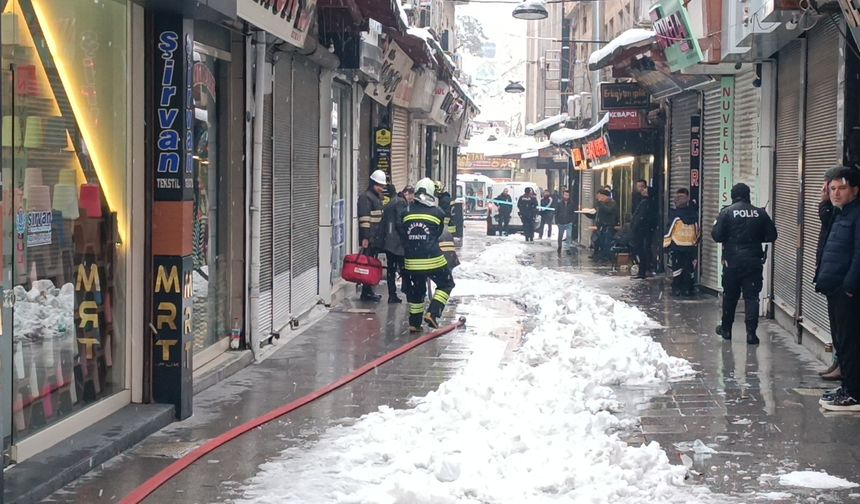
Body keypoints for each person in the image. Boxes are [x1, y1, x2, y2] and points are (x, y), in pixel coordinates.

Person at [815, 166, 860, 411]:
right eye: (832, 189)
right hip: (835, 288)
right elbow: (824, 215)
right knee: (841, 342)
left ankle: (854, 393)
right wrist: (825, 199)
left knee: (851, 342)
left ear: (855, 190)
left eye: (842, 188)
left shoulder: (856, 214)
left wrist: (850, 287)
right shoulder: (840, 213)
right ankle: (848, 387)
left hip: (847, 291)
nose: (836, 193)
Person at [712, 183, 778, 345]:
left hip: (732, 263)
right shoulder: (760, 213)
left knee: (730, 296)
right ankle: (751, 334)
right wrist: (756, 236)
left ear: (733, 195)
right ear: (748, 195)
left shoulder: (726, 212)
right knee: (752, 297)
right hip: (753, 262)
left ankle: (726, 329)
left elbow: (717, 236)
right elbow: (772, 235)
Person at [399, 178, 455, 331]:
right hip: (432, 259)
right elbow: (437, 234)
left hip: (411, 261)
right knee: (446, 284)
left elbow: (403, 234)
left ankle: (414, 324)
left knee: (417, 290)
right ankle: (433, 312)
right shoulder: (438, 213)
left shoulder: (406, 212)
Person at [816, 166, 842, 379]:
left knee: (843, 328)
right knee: (835, 325)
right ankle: (837, 362)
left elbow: (828, 221)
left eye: (835, 187)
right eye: (830, 188)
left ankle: (842, 366)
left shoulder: (840, 211)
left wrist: (824, 202)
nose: (832, 192)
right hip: (831, 277)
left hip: (841, 281)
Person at [380, 184, 414, 304]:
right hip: (397, 243)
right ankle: (408, 292)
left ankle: (392, 294)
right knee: (404, 269)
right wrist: (406, 237)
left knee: (391, 269)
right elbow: (400, 222)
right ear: (407, 193)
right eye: (411, 197)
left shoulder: (391, 201)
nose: (411, 200)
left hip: (389, 242)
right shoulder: (401, 202)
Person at [356, 169, 387, 302]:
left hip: (374, 237)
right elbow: (364, 220)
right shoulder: (366, 197)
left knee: (370, 264)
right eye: (379, 185)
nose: (382, 188)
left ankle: (368, 291)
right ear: (373, 183)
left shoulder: (375, 197)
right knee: (366, 265)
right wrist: (365, 238)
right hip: (369, 238)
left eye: (383, 185)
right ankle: (366, 292)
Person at [663, 188, 700, 296]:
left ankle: (677, 288)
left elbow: (669, 231)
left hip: (678, 245)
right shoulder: (694, 214)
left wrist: (665, 246)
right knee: (689, 268)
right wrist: (695, 242)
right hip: (690, 246)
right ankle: (688, 288)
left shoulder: (675, 215)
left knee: (677, 268)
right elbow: (697, 230)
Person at [631, 180, 658, 279]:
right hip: (642, 230)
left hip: (642, 231)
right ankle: (643, 270)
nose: (642, 190)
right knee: (642, 250)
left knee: (642, 250)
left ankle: (643, 271)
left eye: (645, 189)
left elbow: (640, 217)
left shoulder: (646, 203)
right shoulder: (643, 201)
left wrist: (634, 227)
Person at [585, 189, 619, 262]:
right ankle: (600, 256)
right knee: (599, 242)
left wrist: (601, 204)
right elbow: (596, 215)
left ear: (605, 196)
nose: (600, 199)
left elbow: (608, 211)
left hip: (608, 226)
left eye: (601, 197)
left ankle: (607, 258)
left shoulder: (612, 203)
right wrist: (587, 213)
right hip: (600, 226)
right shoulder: (600, 204)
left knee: (606, 243)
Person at [555, 189, 577, 254]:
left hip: (568, 222)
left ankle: (567, 248)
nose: (566, 196)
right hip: (561, 222)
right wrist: (557, 221)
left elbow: (573, 213)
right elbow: (556, 212)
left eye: (567, 195)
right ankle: (559, 246)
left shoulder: (572, 204)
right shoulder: (559, 203)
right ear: (563, 195)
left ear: (569, 196)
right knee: (560, 236)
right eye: (565, 195)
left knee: (569, 235)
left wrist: (572, 220)